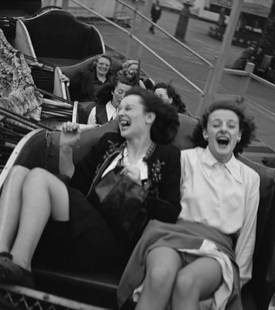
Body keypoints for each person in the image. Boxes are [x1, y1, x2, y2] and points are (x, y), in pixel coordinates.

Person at [0, 88, 181, 288]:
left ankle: (21, 265)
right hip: (80, 224)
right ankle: (2, 255)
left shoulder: (168, 156)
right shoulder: (109, 143)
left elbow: (170, 213)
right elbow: (76, 185)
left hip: (112, 242)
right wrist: (66, 149)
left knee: (38, 176)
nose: (121, 113)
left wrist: (139, 190)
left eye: (129, 108)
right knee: (18, 173)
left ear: (149, 117)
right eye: (119, 109)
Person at [117, 99, 260, 310]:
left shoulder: (250, 178)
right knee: (159, 275)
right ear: (205, 133)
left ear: (239, 135)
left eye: (231, 126)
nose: (223, 130)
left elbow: (248, 232)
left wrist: (241, 278)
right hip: (171, 235)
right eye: (216, 124)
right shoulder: (184, 159)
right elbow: (151, 178)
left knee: (186, 283)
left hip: (216, 250)